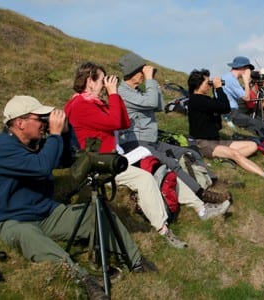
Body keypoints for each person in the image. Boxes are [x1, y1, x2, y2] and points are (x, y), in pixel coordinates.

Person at [0, 95, 154, 300]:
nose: (44, 123)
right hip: (7, 220)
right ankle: (83, 278)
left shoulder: (36, 142)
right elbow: (42, 168)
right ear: (20, 123)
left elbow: (69, 159)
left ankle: (135, 260)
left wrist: (66, 132)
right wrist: (54, 134)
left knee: (92, 215)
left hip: (43, 212)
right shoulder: (1, 146)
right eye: (39, 118)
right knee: (30, 237)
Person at [64, 62, 229, 246]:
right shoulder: (79, 105)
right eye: (103, 80)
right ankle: (163, 228)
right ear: (90, 81)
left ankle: (201, 209)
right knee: (144, 179)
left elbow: (124, 122)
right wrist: (114, 94)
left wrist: (112, 98)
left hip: (114, 157)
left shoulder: (95, 103)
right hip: (100, 163)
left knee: (163, 167)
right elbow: (116, 124)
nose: (106, 84)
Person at [117, 52, 231, 204]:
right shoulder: (123, 93)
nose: (144, 75)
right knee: (172, 163)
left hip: (151, 140)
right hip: (137, 142)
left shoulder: (137, 91)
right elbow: (151, 103)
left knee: (190, 152)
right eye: (141, 72)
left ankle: (212, 180)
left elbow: (159, 106)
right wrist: (150, 80)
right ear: (132, 72)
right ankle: (202, 194)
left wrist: (153, 84)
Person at [187, 68, 264, 178]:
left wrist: (216, 89)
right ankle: (263, 174)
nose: (209, 84)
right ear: (198, 84)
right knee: (235, 153)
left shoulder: (205, 99)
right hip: (203, 143)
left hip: (216, 141)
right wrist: (218, 88)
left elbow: (221, 107)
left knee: (253, 146)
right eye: (207, 82)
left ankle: (225, 157)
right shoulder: (196, 100)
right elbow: (225, 108)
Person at [222, 56, 264, 137]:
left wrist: (251, 80)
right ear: (242, 68)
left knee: (257, 121)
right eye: (248, 69)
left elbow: (244, 93)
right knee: (257, 123)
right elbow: (247, 98)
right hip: (230, 113)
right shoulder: (230, 79)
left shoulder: (229, 77)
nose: (249, 71)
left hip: (231, 111)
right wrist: (246, 81)